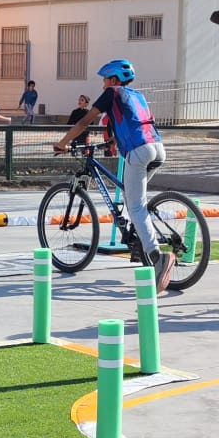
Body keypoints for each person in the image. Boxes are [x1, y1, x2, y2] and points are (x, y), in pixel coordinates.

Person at [53, 59, 173, 293]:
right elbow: (131, 122)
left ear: (115, 80)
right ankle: (139, 242)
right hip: (158, 148)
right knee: (132, 197)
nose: (103, 85)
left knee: (135, 206)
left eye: (105, 79)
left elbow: (85, 121)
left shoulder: (112, 93)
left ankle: (157, 257)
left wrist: (63, 143)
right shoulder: (137, 96)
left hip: (139, 151)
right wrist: (112, 141)